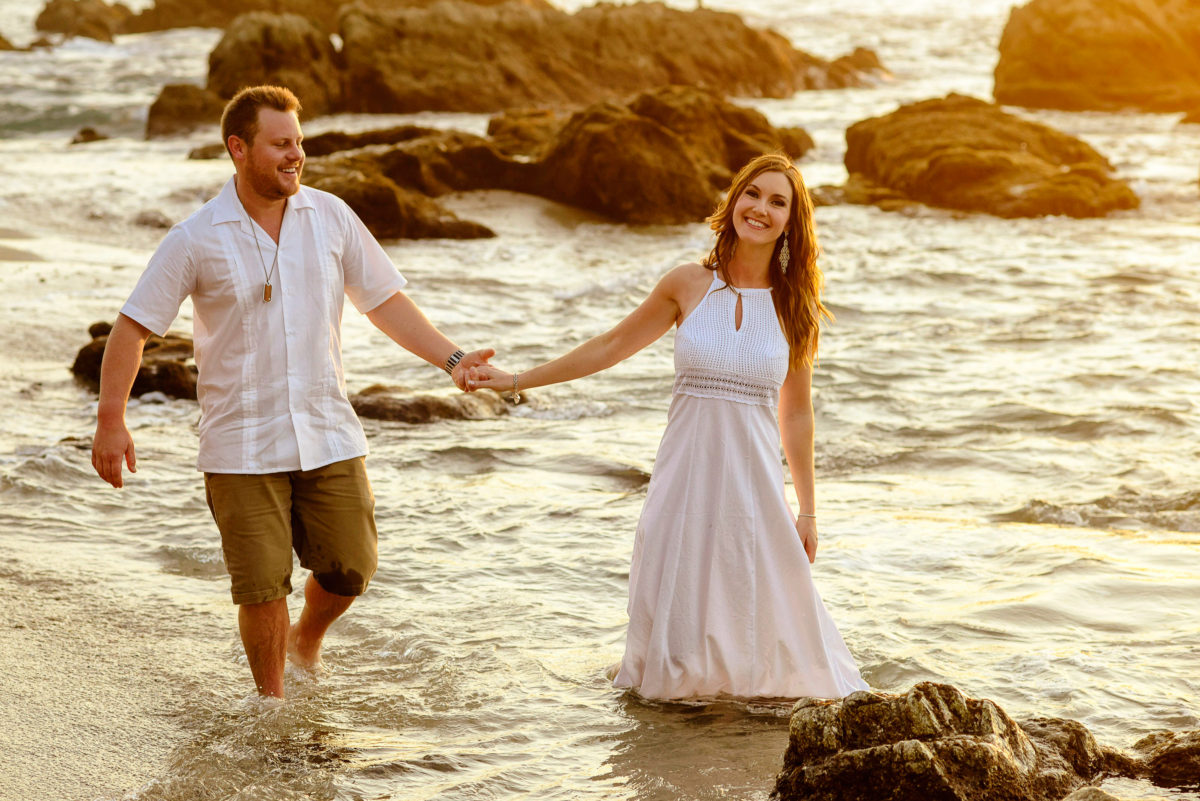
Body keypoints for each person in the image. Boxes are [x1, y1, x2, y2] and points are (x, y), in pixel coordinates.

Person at [90, 85, 494, 699]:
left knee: (351, 567)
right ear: (239, 149)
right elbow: (133, 326)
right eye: (281, 144)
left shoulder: (330, 216)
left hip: (327, 429)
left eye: (299, 143)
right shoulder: (195, 237)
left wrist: (454, 360)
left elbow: (384, 303)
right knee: (261, 586)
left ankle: (308, 638)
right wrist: (111, 420)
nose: (295, 155)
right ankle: (272, 707)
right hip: (240, 445)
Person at [468, 154, 867, 699]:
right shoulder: (687, 284)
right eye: (754, 194)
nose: (762, 209)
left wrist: (809, 510)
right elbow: (610, 346)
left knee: (766, 628)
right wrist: (516, 379)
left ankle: (741, 744)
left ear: (792, 223)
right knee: (680, 623)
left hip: (754, 491)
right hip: (684, 483)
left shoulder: (795, 307)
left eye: (779, 202)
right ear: (734, 202)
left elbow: (796, 413)